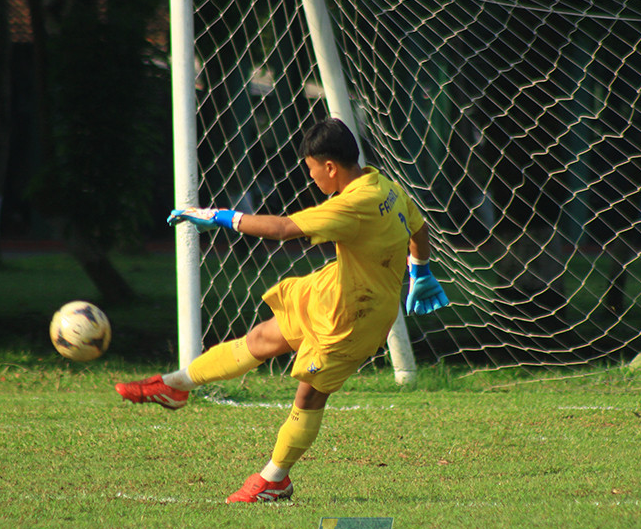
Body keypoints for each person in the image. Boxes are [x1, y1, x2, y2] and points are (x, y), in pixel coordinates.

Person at [115, 118, 448, 503]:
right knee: (259, 338)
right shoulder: (381, 183)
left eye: (311, 171)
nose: (312, 180)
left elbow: (283, 229)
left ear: (329, 167)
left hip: (357, 315)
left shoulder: (353, 205)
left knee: (309, 396)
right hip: (333, 290)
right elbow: (418, 225)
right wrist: (420, 269)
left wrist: (221, 216)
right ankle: (175, 387)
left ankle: (275, 478)